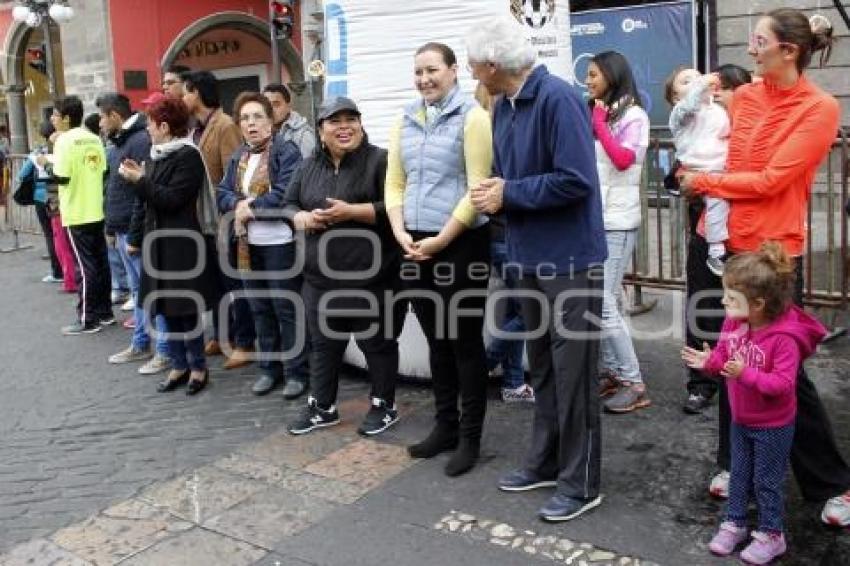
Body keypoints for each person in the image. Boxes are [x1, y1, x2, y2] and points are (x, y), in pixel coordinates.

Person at [678, 8, 850, 527]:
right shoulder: (747, 95)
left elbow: (773, 179)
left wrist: (703, 184)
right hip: (732, 245)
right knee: (733, 354)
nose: (750, 51)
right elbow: (710, 142)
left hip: (775, 258)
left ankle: (833, 484)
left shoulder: (819, 108)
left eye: (758, 42)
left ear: (788, 50)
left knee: (782, 372)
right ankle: (735, 466)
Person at [468, 18, 607, 521]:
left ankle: (581, 482)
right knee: (544, 367)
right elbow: (513, 177)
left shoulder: (559, 98)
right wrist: (493, 192)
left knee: (575, 377)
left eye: (472, 64)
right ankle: (546, 462)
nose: (471, 73)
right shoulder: (503, 105)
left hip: (569, 259)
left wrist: (509, 193)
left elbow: (576, 180)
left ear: (490, 64)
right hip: (526, 256)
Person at [386, 42, 492, 477]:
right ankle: (444, 426)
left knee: (464, 343)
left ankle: (470, 437)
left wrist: (442, 238)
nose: (424, 79)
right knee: (435, 341)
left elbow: (478, 189)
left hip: (460, 244)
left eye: (432, 70)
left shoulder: (474, 118)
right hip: (414, 245)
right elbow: (394, 182)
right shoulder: (406, 119)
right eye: (418, 72)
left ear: (453, 72)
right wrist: (400, 234)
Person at [683, 243, 826, 564]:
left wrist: (744, 373)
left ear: (758, 304)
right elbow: (722, 356)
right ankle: (734, 523)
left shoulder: (784, 338)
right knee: (738, 473)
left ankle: (772, 534)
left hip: (773, 426)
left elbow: (782, 385)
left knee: (767, 481)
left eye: (731, 298)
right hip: (741, 419)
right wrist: (707, 362)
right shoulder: (734, 322)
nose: (723, 302)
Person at [286, 96, 403, 436]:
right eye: (335, 121)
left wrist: (353, 212)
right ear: (320, 130)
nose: (344, 126)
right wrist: (302, 217)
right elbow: (288, 203)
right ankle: (323, 406)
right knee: (324, 344)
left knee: (377, 344)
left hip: (372, 278)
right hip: (319, 280)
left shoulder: (380, 160)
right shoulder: (308, 165)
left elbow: (397, 206)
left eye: (351, 119)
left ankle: (384, 405)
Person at [118, 97, 215, 395]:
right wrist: (139, 179)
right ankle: (178, 364)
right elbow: (147, 200)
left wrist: (141, 180)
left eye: (150, 123)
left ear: (164, 126)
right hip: (157, 242)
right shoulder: (157, 154)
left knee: (185, 308)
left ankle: (198, 367)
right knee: (165, 309)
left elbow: (172, 199)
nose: (147, 129)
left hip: (181, 244)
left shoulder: (188, 156)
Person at [217, 92, 310, 399]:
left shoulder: (287, 151)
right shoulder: (239, 156)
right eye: (245, 118)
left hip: (280, 243)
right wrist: (241, 205)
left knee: (285, 307)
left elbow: (285, 192)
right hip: (247, 245)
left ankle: (297, 372)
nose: (251, 123)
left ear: (271, 122)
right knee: (260, 308)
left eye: (257, 117)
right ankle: (270, 369)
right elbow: (222, 193)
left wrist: (248, 208)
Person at [680, 64, 752, 417]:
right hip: (705, 233)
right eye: (716, 88)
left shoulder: (752, 129)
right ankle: (700, 382)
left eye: (725, 88)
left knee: (741, 313)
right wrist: (688, 179)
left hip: (747, 238)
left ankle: (740, 377)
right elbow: (675, 176)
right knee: (701, 304)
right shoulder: (704, 122)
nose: (718, 94)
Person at [585, 51, 651, 414]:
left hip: (619, 222)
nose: (589, 80)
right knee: (603, 299)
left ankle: (633, 381)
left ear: (612, 74)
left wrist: (598, 125)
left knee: (604, 301)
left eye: (594, 74)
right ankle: (614, 372)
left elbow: (624, 160)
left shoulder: (634, 115)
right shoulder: (606, 113)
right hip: (600, 219)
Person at [183, 70, 256, 368]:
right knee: (217, 283)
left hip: (224, 218)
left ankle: (244, 341)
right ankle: (222, 335)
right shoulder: (199, 128)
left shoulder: (224, 125)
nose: (183, 98)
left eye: (187, 92)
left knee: (235, 283)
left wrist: (230, 214)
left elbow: (233, 174)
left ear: (197, 93)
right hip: (208, 220)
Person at [97, 93, 172, 375]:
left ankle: (164, 350)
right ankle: (141, 342)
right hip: (121, 228)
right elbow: (114, 187)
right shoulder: (120, 141)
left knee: (153, 291)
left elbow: (142, 190)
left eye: (103, 117)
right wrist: (110, 227)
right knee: (140, 291)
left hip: (134, 230)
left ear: (115, 115)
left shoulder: (139, 141)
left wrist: (135, 234)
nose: (101, 124)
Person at [475, 82, 532, 404]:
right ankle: (486, 362)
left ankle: (513, 384)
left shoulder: (481, 133)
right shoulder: (498, 136)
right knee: (530, 309)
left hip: (500, 233)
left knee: (517, 307)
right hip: (508, 233)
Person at [42, 95, 112, 334]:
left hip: (75, 210)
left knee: (85, 266)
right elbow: (103, 172)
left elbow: (62, 176)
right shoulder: (94, 138)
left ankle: (87, 318)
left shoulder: (64, 141)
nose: (52, 119)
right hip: (95, 207)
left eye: (55, 115)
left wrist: (46, 163)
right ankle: (105, 313)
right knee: (100, 263)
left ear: (66, 118)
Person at [664, 67, 730, 277]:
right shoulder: (680, 113)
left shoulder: (717, 110)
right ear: (675, 97)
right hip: (698, 169)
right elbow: (690, 103)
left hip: (722, 167)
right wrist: (701, 84)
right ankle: (716, 250)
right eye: (685, 81)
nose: (694, 82)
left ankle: (718, 248)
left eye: (697, 77)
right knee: (716, 203)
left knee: (722, 205)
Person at [22, 122, 62, 284]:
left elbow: (23, 174)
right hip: (60, 194)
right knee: (62, 235)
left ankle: (57, 271)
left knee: (50, 235)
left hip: (41, 196)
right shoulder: (62, 148)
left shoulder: (38, 152)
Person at [262, 83, 316, 158]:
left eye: (276, 105)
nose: (271, 110)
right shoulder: (262, 133)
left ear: (289, 105)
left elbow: (310, 167)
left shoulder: (303, 135)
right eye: (267, 105)